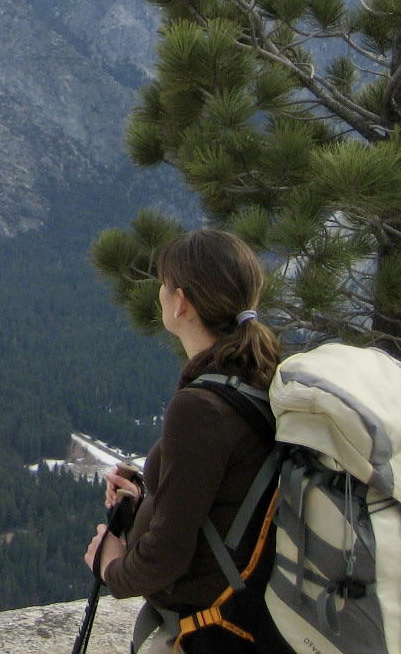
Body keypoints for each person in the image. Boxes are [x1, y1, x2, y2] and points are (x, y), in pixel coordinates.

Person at [82, 229, 284, 653]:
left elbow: (167, 556)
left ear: (180, 301)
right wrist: (141, 498)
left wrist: (111, 565)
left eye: (163, 284)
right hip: (255, 614)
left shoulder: (201, 406)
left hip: (212, 632)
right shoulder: (258, 373)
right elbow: (227, 497)